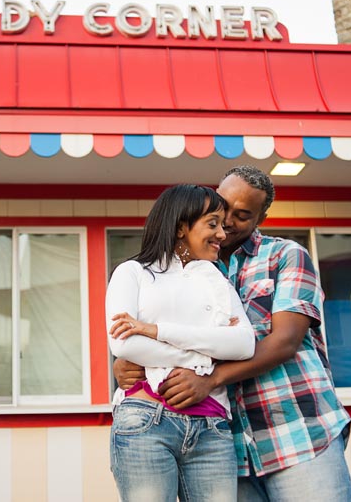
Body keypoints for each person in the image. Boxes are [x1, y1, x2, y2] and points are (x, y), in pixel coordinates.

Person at [114, 166, 351, 502]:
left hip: (296, 430)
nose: (226, 221)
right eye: (222, 207)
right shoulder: (187, 271)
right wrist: (130, 361)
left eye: (242, 215)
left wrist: (209, 379)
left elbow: (285, 342)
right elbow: (159, 335)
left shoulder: (285, 256)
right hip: (225, 443)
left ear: (261, 217)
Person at [106, 184, 256, 502]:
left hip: (211, 429)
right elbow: (125, 346)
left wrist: (155, 330)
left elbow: (244, 345)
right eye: (212, 224)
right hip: (145, 421)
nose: (222, 234)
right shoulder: (132, 273)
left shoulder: (217, 282)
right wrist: (206, 355)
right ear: (180, 227)